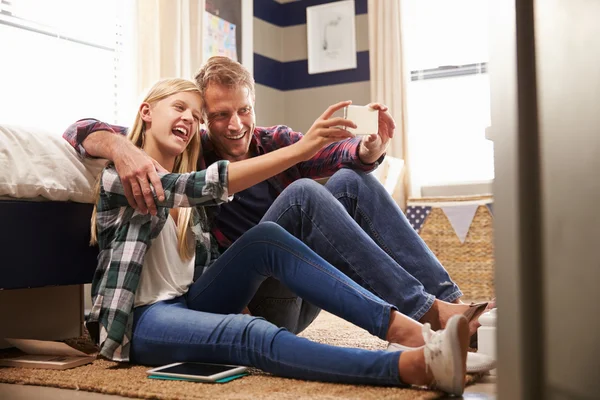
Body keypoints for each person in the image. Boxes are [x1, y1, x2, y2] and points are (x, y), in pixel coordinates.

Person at [64, 56, 491, 347]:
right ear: (201, 120)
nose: (235, 126)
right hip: (256, 297)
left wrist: (368, 150)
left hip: (306, 291)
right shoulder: (193, 149)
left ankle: (454, 307)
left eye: (244, 111)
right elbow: (79, 129)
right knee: (303, 195)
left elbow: (333, 154)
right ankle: (427, 313)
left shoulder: (273, 141)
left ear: (255, 107)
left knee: (348, 179)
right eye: (219, 115)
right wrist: (122, 149)